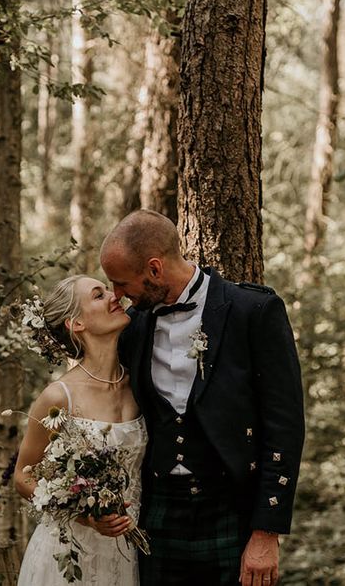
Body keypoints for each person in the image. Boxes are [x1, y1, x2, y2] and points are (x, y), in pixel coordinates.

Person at [100, 210, 305, 586]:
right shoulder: (133, 327)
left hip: (232, 508)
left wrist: (266, 532)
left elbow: (284, 425)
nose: (117, 295)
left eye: (121, 283)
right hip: (158, 512)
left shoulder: (253, 311)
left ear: (155, 269)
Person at [15, 274, 148, 586]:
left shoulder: (141, 385)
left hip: (126, 554)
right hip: (67, 557)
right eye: (99, 295)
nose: (116, 296)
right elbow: (23, 476)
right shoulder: (59, 396)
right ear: (76, 324)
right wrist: (84, 516)